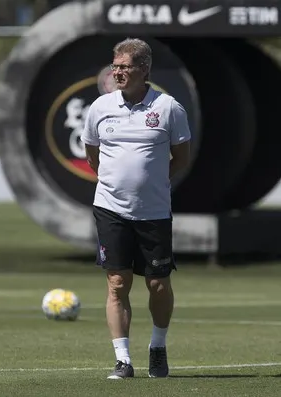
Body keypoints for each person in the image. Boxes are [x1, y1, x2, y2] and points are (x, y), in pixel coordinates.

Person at [81, 38, 191, 379]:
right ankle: (123, 360)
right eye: (115, 65)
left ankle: (157, 348)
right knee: (117, 282)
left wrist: (150, 183)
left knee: (158, 284)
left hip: (154, 211)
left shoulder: (169, 108)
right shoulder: (100, 108)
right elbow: (92, 154)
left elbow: (180, 158)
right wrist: (117, 183)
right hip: (110, 208)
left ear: (144, 69)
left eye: (125, 66)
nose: (117, 72)